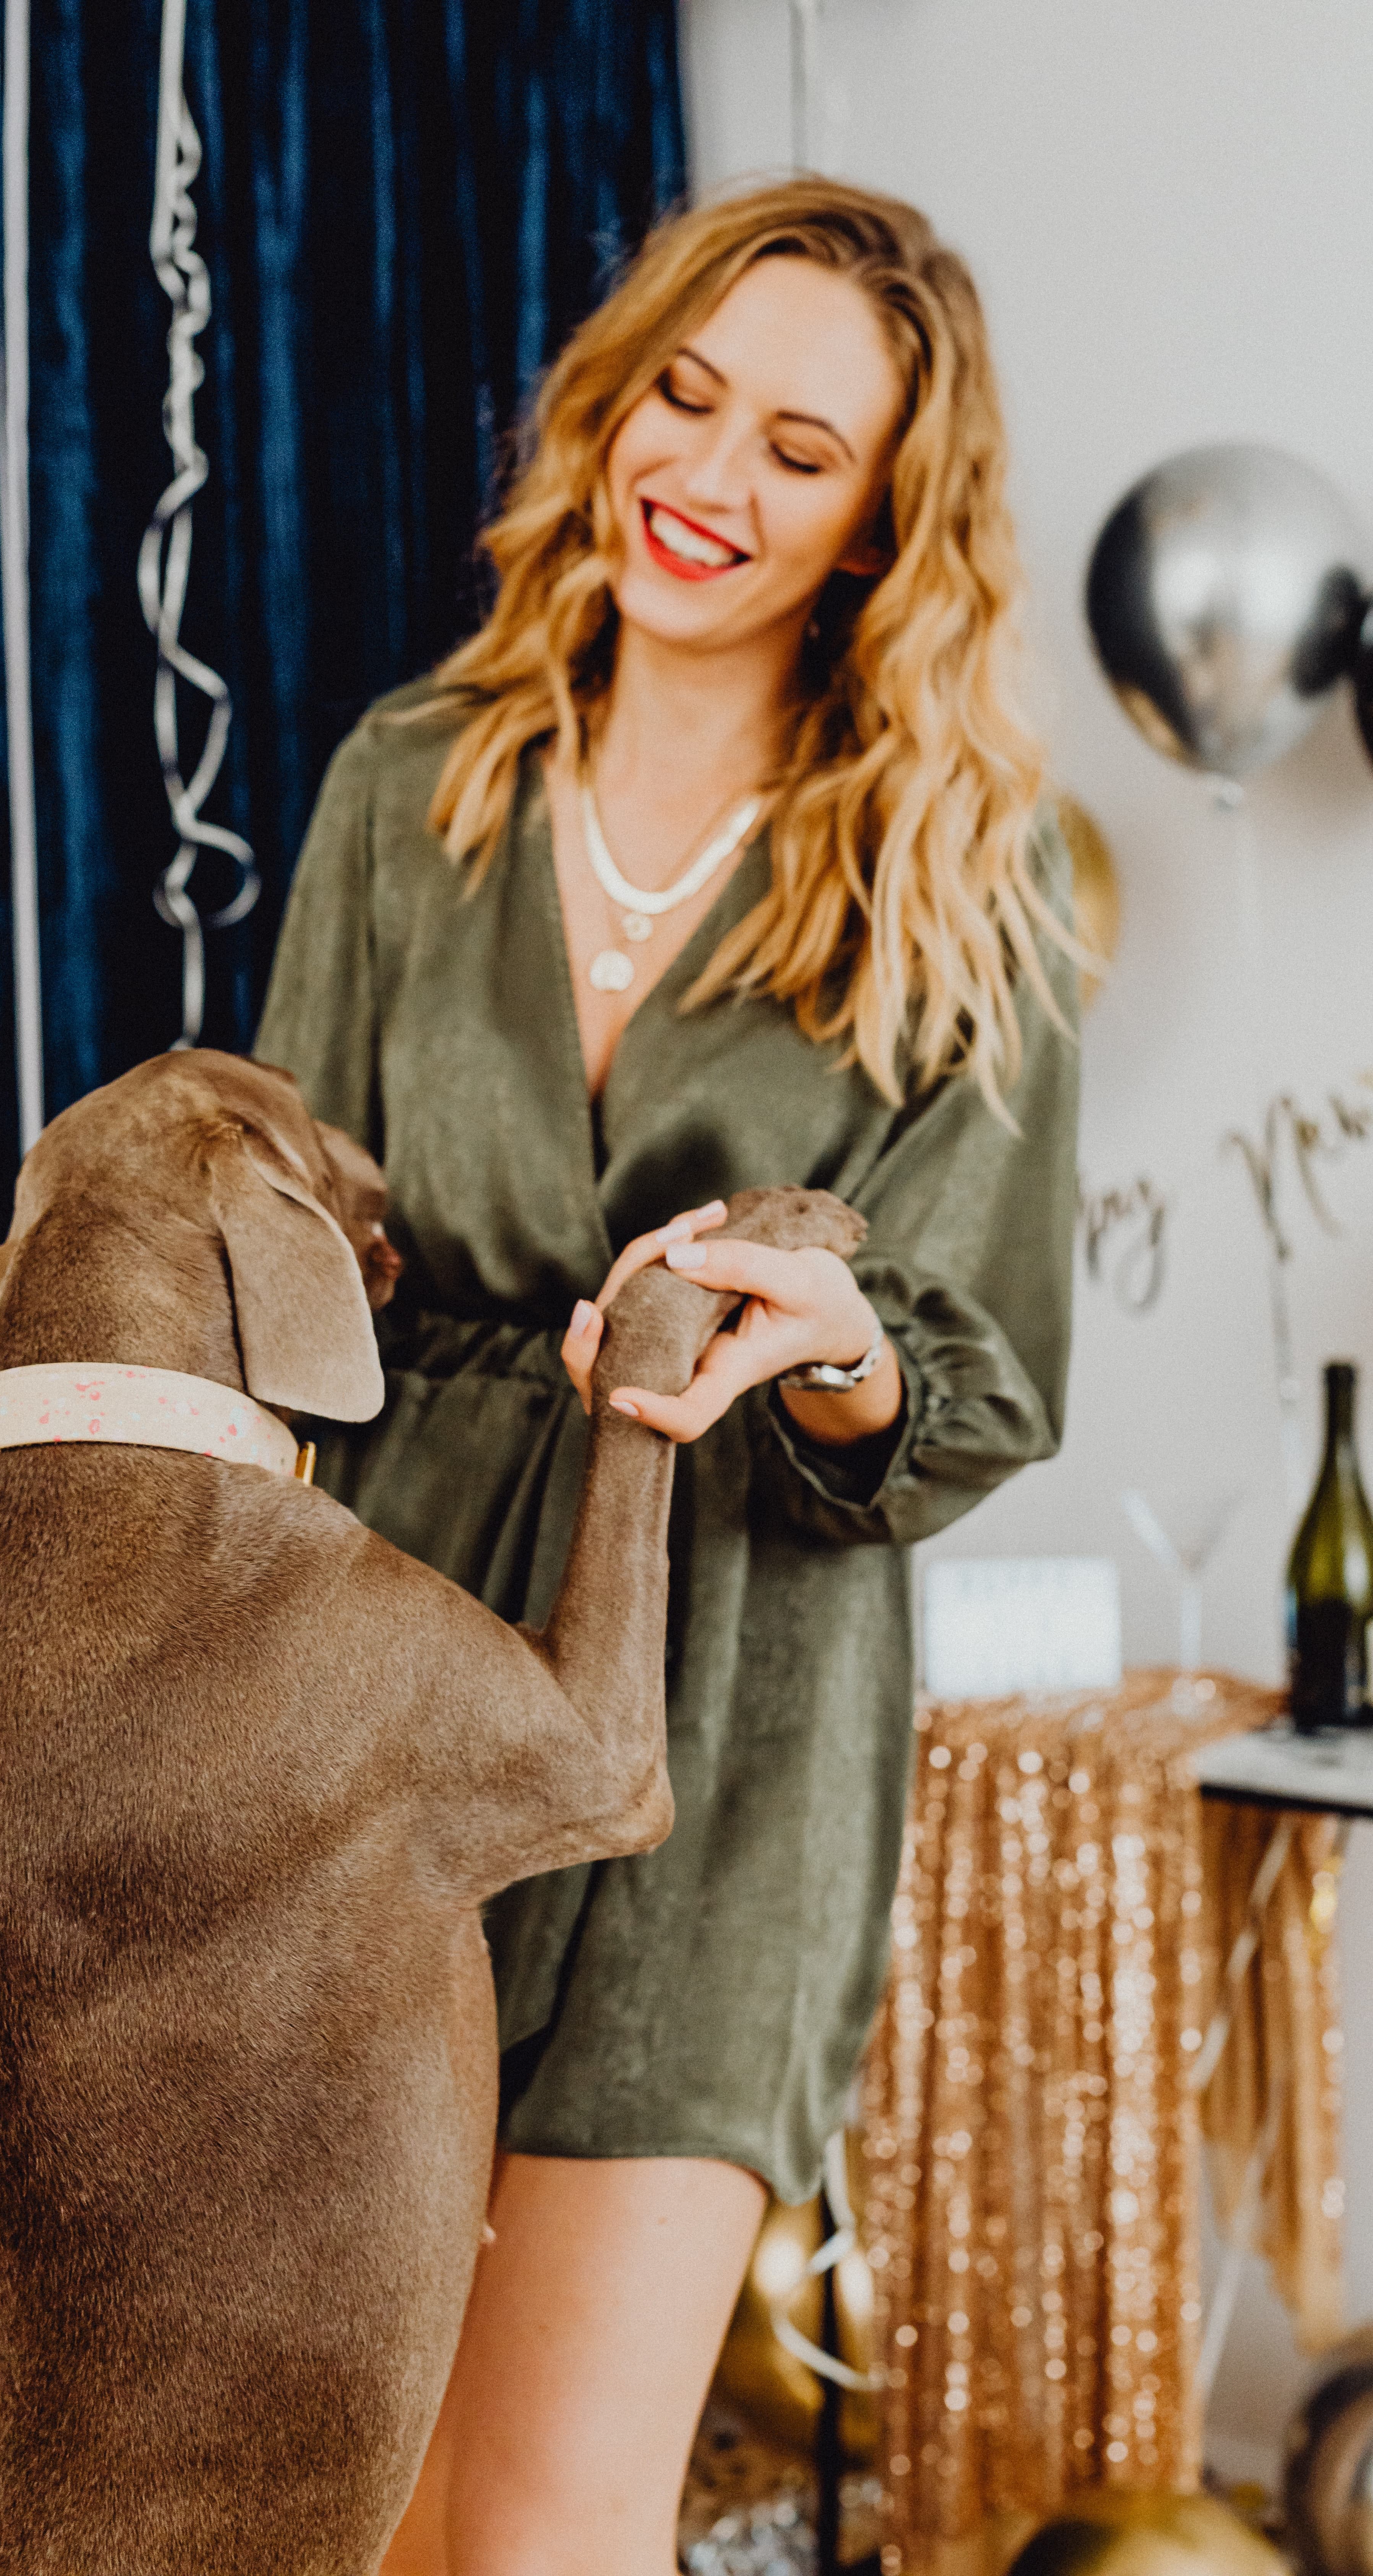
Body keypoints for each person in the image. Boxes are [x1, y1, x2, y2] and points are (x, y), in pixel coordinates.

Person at [256, 176, 1079, 2576]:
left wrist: (828, 1364)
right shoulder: (411, 788)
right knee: (362, 2508)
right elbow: (299, 1286)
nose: (705, 479)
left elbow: (981, 1370)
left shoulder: (955, 867)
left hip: (725, 1738)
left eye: (800, 449)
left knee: (547, 2529)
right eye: (687, 395)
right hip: (391, 1719)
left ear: (879, 527)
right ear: (616, 404)